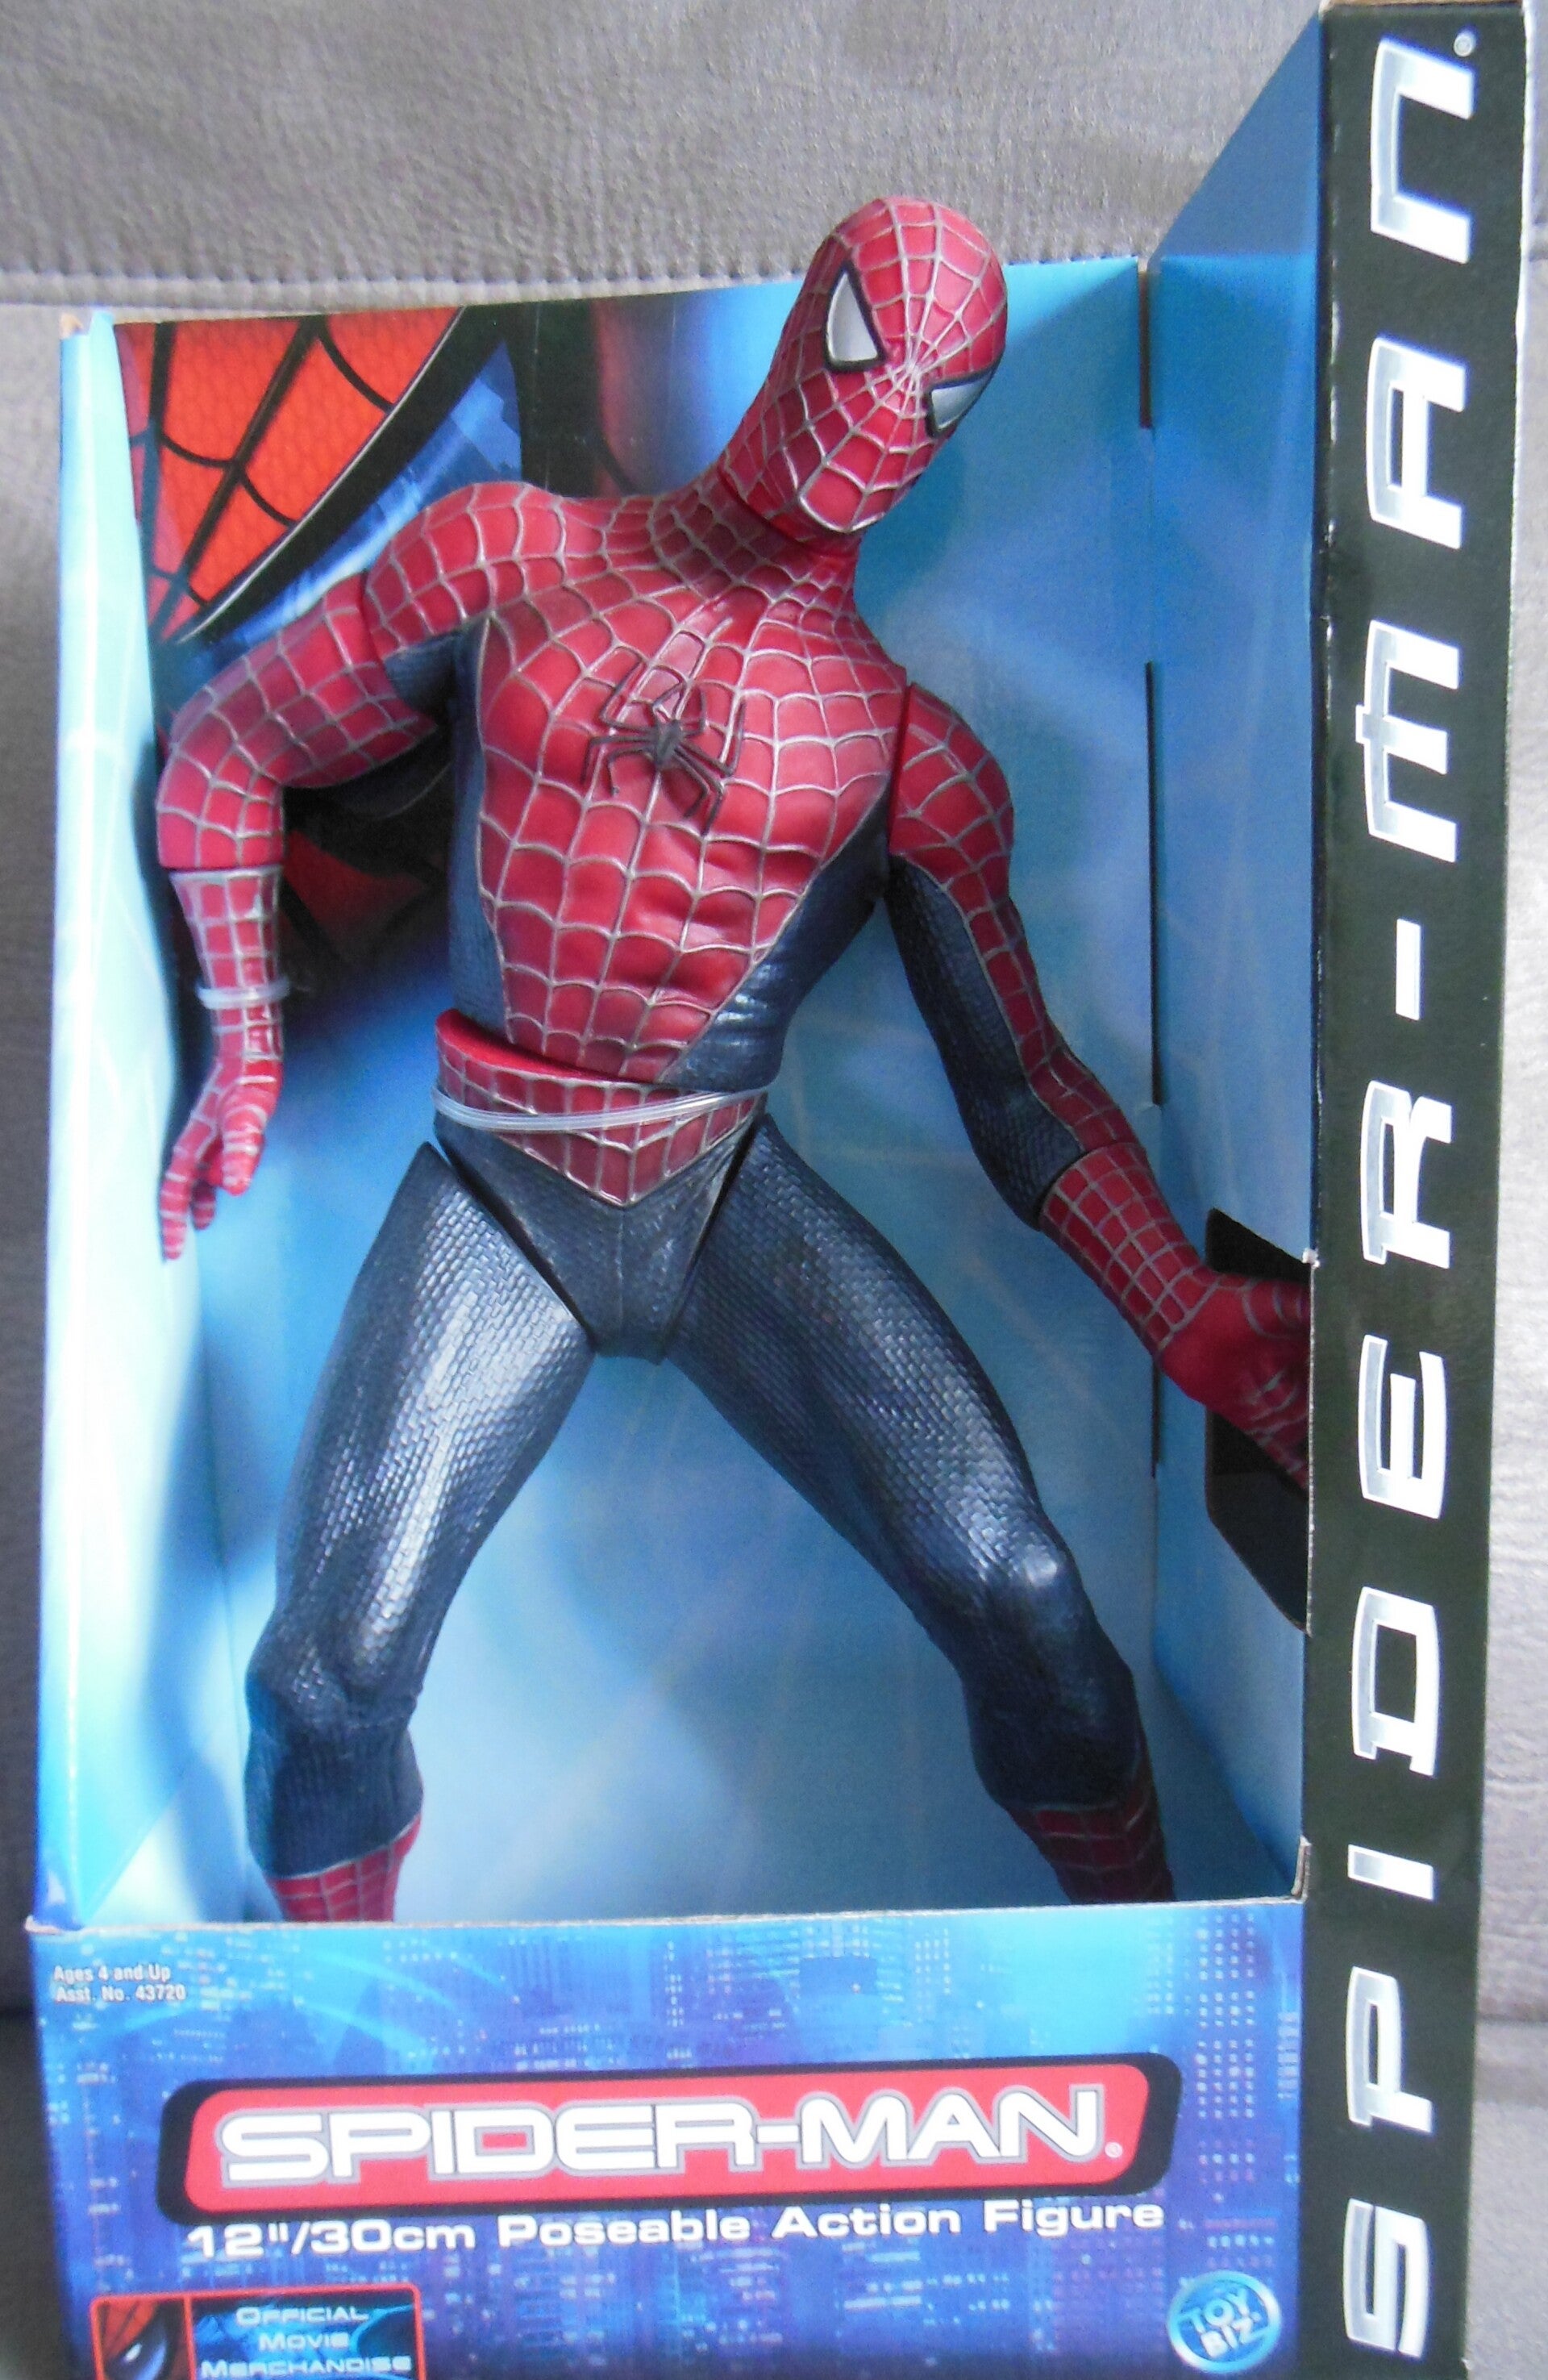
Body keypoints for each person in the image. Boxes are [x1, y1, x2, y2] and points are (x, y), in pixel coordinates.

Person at [156, 198, 1308, 1921]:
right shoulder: (507, 558)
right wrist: (242, 1045)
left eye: (933, 396)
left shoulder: (912, 758)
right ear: (797, 330)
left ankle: (1156, 1988)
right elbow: (229, 748)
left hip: (716, 1193)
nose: (878, 413)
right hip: (495, 1183)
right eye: (860, 345)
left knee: (1022, 1595)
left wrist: (1187, 1313)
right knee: (321, 1679)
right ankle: (338, 2043)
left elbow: (1026, 1093)